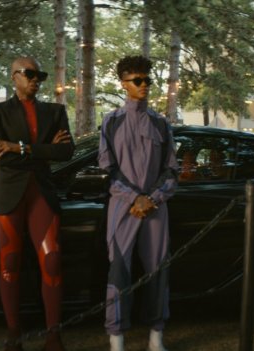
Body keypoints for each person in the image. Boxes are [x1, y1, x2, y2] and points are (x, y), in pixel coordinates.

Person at [0, 56, 74, 351]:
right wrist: (43, 149)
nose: (36, 79)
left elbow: (66, 152)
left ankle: (54, 335)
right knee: (9, 262)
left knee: (52, 260)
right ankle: (13, 333)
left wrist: (19, 146)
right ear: (14, 77)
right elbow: (2, 155)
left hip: (42, 192)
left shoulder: (55, 111)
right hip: (7, 194)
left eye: (41, 75)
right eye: (30, 74)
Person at [98, 55, 178, 351]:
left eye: (147, 80)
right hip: (123, 208)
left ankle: (156, 336)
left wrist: (152, 198)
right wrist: (135, 198)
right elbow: (107, 168)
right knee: (119, 271)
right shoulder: (112, 121)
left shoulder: (161, 123)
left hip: (156, 208)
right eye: (138, 80)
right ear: (124, 84)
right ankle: (116, 339)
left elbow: (171, 170)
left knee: (159, 270)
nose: (144, 85)